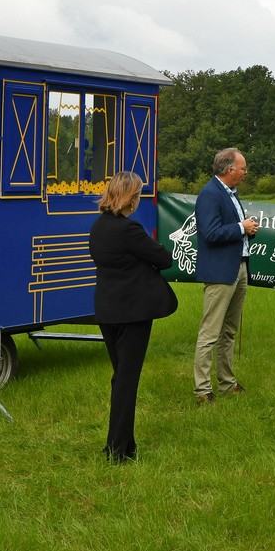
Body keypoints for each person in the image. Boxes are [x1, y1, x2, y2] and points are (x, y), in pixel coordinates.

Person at [88, 171, 178, 462]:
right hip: (133, 312)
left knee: (121, 377)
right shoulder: (129, 230)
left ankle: (123, 444)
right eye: (138, 194)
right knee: (127, 380)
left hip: (107, 310)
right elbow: (164, 258)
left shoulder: (98, 227)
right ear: (130, 197)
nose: (139, 199)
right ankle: (118, 450)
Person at [192, 146, 259, 404]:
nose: (245, 172)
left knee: (229, 331)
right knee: (210, 333)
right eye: (242, 168)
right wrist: (241, 227)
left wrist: (246, 230)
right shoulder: (209, 195)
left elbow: (230, 230)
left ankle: (227, 383)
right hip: (221, 273)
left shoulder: (231, 193)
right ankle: (202, 390)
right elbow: (209, 234)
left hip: (239, 267)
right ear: (230, 169)